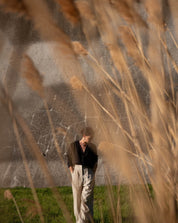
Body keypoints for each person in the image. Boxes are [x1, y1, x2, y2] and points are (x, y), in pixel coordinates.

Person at [67, 127, 98, 223]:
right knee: (77, 199)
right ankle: (83, 220)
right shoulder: (73, 146)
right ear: (84, 136)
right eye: (89, 138)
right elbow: (69, 160)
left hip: (89, 172)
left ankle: (82, 221)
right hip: (76, 173)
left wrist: (92, 173)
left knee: (86, 197)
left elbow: (95, 162)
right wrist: (72, 172)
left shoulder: (93, 147)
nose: (91, 140)